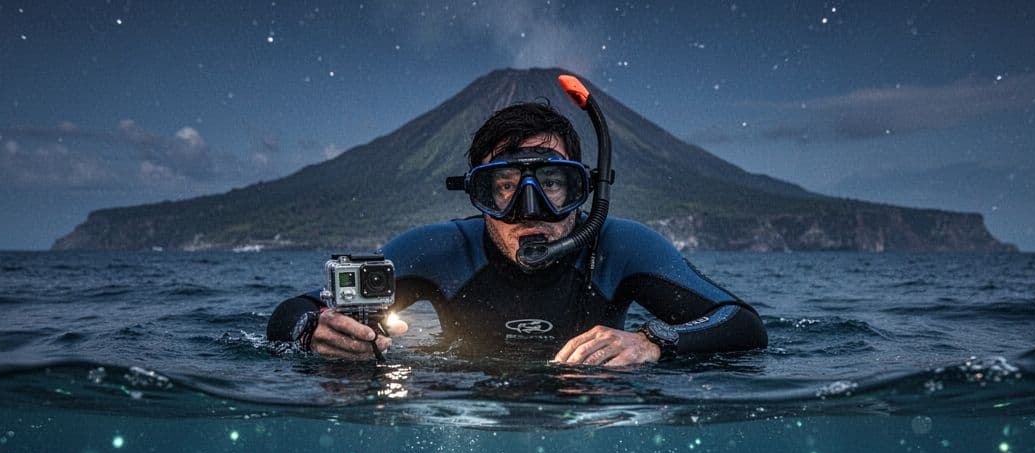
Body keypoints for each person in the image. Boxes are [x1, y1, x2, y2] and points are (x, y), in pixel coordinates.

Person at [267, 102, 766, 365]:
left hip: (593, 416)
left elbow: (743, 324)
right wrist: (315, 332)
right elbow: (294, 312)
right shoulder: (438, 250)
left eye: (552, 184)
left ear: (583, 188)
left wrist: (652, 341)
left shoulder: (620, 246)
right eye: (504, 188)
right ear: (477, 195)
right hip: (468, 413)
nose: (531, 211)